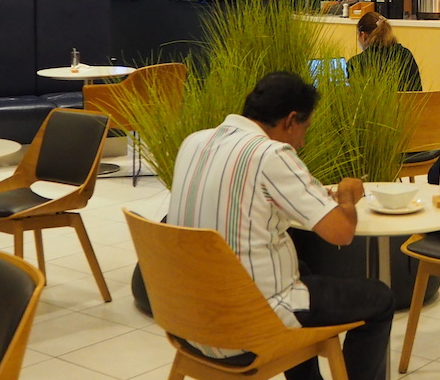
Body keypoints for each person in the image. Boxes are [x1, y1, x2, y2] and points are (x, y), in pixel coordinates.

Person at [167, 71, 392, 380]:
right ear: (290, 120)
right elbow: (341, 232)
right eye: (305, 128)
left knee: (302, 269)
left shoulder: (194, 142)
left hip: (188, 320)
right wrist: (348, 196)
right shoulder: (271, 154)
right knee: (379, 298)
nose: (302, 140)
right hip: (246, 326)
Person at [347, 11, 422, 91]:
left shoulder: (355, 63)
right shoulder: (405, 55)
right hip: (407, 103)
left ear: (363, 35)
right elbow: (417, 92)